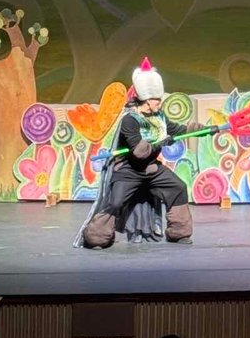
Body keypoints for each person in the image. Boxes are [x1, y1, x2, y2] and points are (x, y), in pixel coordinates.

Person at [81, 58, 195, 248]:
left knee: (178, 187)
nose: (160, 102)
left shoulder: (159, 116)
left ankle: (179, 232)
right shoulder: (130, 120)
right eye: (157, 99)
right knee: (116, 202)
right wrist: (162, 142)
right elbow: (140, 152)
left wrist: (204, 129)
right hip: (129, 170)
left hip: (151, 169)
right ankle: (96, 237)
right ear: (147, 100)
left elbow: (176, 130)